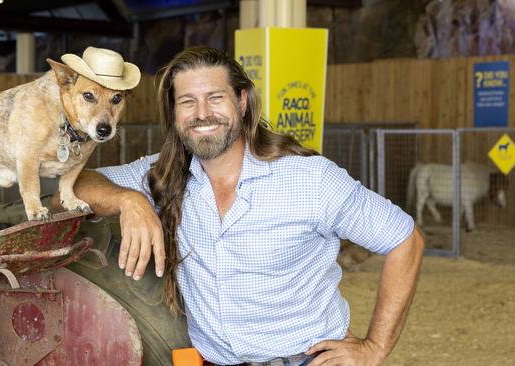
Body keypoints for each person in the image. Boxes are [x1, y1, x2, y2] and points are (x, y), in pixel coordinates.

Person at [64, 46, 425, 366]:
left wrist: (374, 347)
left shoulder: (310, 180)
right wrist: (129, 201)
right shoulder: (162, 176)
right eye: (187, 101)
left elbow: (405, 239)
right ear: (175, 114)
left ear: (242, 101)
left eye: (215, 98)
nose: (202, 113)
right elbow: (75, 183)